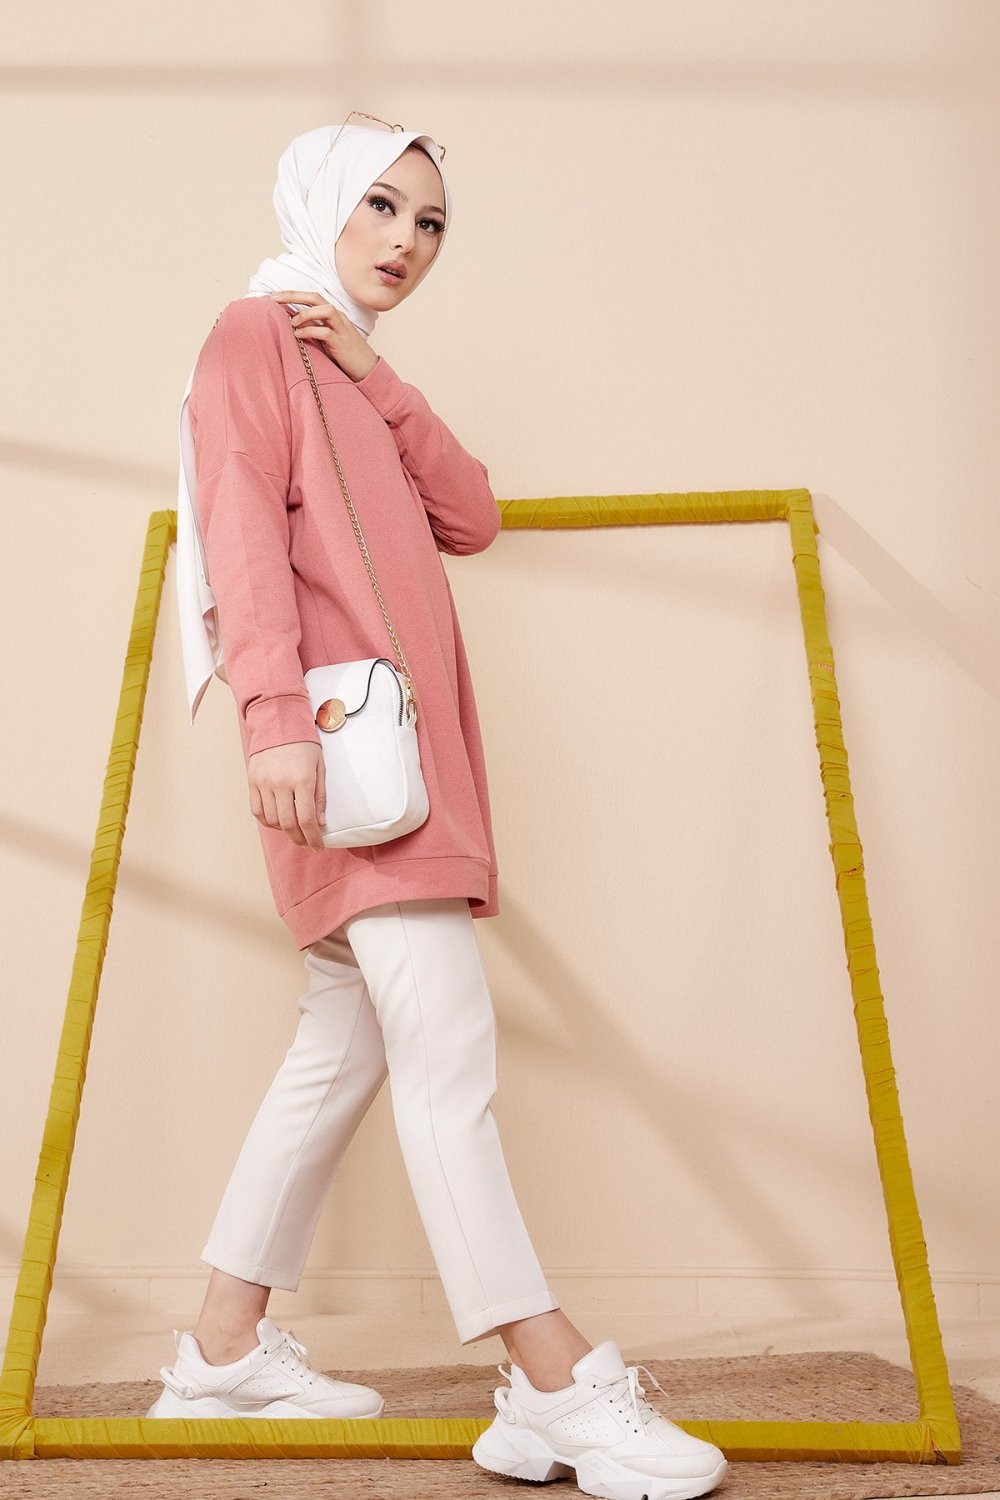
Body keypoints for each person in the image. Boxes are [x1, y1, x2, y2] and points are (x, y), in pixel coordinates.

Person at [151, 113, 728, 1500]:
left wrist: (379, 377)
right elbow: (239, 528)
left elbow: (472, 515)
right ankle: (553, 1383)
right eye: (381, 206)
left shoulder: (347, 362)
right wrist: (269, 720)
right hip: (344, 766)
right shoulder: (251, 335)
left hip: (409, 768)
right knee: (449, 1057)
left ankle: (222, 1350)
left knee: (340, 1050)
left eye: (430, 223)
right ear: (319, 203)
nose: (406, 241)